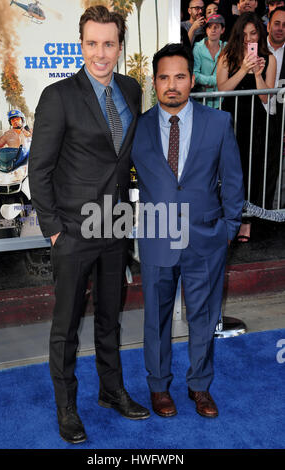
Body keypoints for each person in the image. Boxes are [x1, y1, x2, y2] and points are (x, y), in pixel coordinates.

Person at [29, 5, 150, 445]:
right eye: (92, 43)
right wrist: (54, 229)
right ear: (82, 45)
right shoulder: (58, 96)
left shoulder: (133, 90)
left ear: (120, 45)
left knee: (109, 317)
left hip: (115, 224)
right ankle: (67, 407)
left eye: (109, 44)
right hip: (73, 232)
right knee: (65, 326)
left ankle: (111, 390)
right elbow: (38, 170)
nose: (101, 53)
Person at [131, 43, 244, 419]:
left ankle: (199, 387)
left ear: (192, 80)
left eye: (180, 76)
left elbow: (232, 182)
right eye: (164, 77)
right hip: (157, 238)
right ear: (154, 82)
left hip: (206, 239)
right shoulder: (139, 127)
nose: (172, 85)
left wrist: (227, 230)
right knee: (156, 319)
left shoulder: (218, 123)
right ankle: (159, 387)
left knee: (203, 317)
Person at [217, 12, 276, 241]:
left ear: (260, 34)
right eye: (244, 35)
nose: (248, 39)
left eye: (253, 33)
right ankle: (229, 217)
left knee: (251, 170)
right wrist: (243, 69)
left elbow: (266, 98)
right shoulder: (227, 55)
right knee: (229, 170)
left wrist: (258, 75)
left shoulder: (269, 58)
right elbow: (222, 90)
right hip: (230, 119)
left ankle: (247, 221)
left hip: (256, 123)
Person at [264, 7, 285, 207]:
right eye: (277, 23)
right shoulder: (256, 48)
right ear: (268, 25)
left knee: (275, 167)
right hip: (256, 115)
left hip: (281, 117)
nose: (280, 28)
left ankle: (269, 210)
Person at [193, 13, 226, 107]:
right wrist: (216, 80)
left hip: (221, 100)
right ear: (206, 30)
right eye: (210, 27)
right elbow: (194, 74)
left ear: (222, 30)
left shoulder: (226, 48)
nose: (213, 30)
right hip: (201, 100)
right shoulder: (198, 47)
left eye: (216, 27)